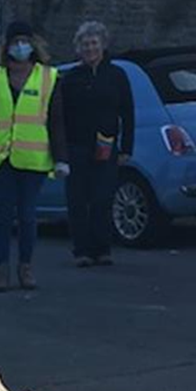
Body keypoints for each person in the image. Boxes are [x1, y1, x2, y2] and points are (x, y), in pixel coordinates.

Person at [0, 21, 68, 291]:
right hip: (1, 156)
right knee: (3, 215)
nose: (20, 47)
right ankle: (1, 270)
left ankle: (26, 267)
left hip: (33, 159)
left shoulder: (48, 78)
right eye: (15, 42)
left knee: (27, 215)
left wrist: (61, 159)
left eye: (24, 41)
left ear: (32, 45)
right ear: (7, 47)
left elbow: (56, 121)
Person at [59, 21, 134, 267]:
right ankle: (81, 251)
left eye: (94, 43)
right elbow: (60, 116)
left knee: (103, 199)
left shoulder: (116, 76)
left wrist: (126, 148)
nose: (90, 48)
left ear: (103, 45)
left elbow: (128, 113)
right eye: (85, 44)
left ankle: (102, 249)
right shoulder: (70, 79)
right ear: (78, 49)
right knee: (78, 201)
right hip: (76, 146)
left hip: (106, 147)